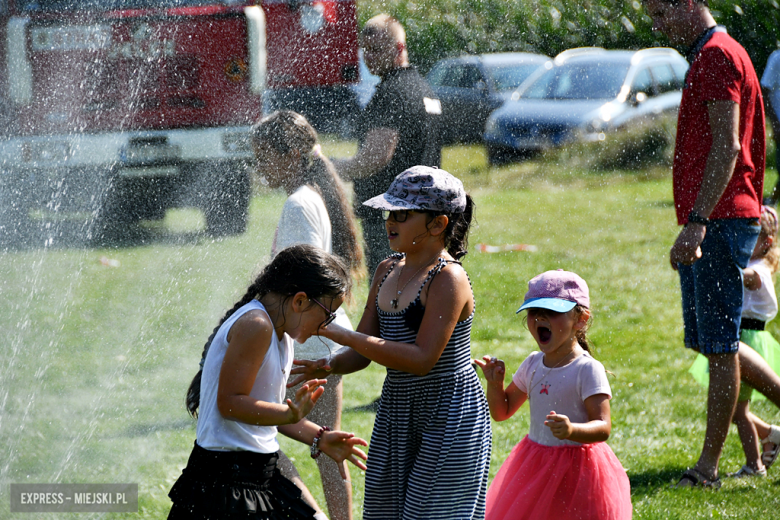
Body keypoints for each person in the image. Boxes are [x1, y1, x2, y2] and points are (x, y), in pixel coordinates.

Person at [290, 166, 491, 519]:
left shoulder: (448, 279)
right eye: (388, 213)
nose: (389, 222)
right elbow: (363, 352)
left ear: (438, 224)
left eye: (402, 214)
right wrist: (331, 363)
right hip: (399, 409)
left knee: (429, 513)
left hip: (448, 412)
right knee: (385, 511)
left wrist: (342, 333)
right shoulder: (386, 270)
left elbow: (422, 359)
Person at [644, 0, 780, 487]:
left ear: (689, 4)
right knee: (709, 339)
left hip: (720, 220)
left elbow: (729, 145)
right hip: (718, 217)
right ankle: (766, 431)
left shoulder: (718, 55)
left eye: (661, 13)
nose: (655, 25)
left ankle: (707, 468)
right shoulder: (714, 53)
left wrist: (697, 221)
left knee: (719, 346)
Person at [168, 245, 368, 520]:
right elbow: (229, 404)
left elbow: (265, 410)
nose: (325, 327)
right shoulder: (257, 324)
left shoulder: (281, 335)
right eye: (327, 314)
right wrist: (288, 413)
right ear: (299, 301)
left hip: (257, 472)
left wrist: (319, 437)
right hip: (226, 480)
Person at [252, 110, 364, 520]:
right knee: (326, 446)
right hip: (319, 337)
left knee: (260, 433)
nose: (259, 167)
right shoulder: (311, 195)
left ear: (294, 153)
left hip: (306, 341)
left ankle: (314, 516)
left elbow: (301, 282)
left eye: (264, 156)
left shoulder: (299, 203)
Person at [475, 270, 632, 520]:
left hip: (580, 471)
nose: (539, 318)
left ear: (580, 319)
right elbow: (501, 412)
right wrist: (494, 385)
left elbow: (603, 427)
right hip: (535, 464)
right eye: (533, 312)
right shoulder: (533, 363)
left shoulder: (587, 369)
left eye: (552, 312)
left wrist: (572, 430)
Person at [332, 14, 442, 276]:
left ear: (399, 48)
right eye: (365, 50)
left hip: (394, 220)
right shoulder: (424, 88)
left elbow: (376, 157)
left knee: (389, 300)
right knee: (419, 294)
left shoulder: (392, 92)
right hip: (426, 216)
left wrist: (332, 168)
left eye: (377, 49)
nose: (369, 57)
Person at [689, 205, 780, 477]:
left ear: (766, 242)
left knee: (738, 410)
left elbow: (744, 279)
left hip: (749, 339)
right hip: (740, 336)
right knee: (735, 408)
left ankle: (755, 465)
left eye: (747, 239)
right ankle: (769, 437)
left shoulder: (759, 270)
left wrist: (715, 267)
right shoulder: (752, 263)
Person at [761, 50, 780, 203]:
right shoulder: (777, 58)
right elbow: (765, 91)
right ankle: (771, 202)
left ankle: (771, 202)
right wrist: (774, 123)